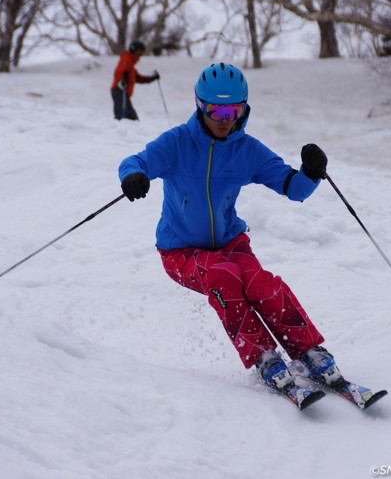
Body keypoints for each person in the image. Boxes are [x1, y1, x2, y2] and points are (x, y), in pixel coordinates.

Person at [118, 62, 344, 399]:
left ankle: (310, 351)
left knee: (262, 284)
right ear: (200, 106)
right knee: (223, 276)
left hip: (231, 243)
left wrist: (311, 173)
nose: (225, 119)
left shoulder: (246, 150)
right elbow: (135, 162)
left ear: (244, 109)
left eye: (234, 110)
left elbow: (293, 188)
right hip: (180, 251)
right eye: (216, 110)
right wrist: (132, 176)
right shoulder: (177, 143)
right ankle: (264, 357)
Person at [110, 40, 159, 121]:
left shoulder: (131, 67)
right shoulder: (127, 59)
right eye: (139, 52)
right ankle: (118, 131)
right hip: (119, 90)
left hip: (123, 92)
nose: (140, 56)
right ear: (133, 50)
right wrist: (120, 81)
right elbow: (119, 71)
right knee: (125, 117)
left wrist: (152, 78)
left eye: (141, 53)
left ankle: (124, 130)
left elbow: (138, 78)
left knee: (131, 117)